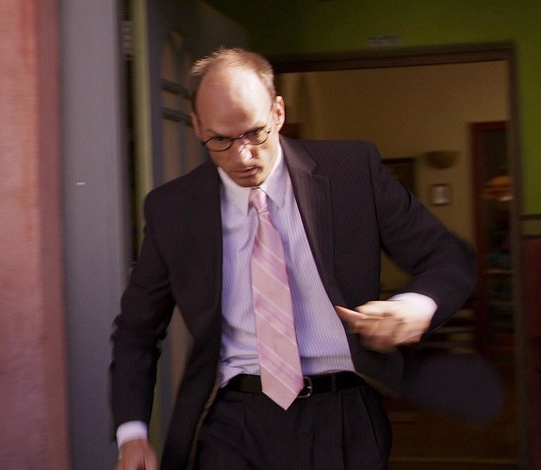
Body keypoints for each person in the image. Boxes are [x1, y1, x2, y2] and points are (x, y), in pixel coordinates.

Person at [110, 47, 477, 470]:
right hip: (234, 420)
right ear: (197, 126)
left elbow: (448, 257)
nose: (242, 156)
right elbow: (137, 330)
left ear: (278, 112)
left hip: (342, 415)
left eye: (254, 133)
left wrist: (415, 306)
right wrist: (131, 434)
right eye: (220, 140)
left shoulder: (352, 172)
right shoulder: (172, 210)